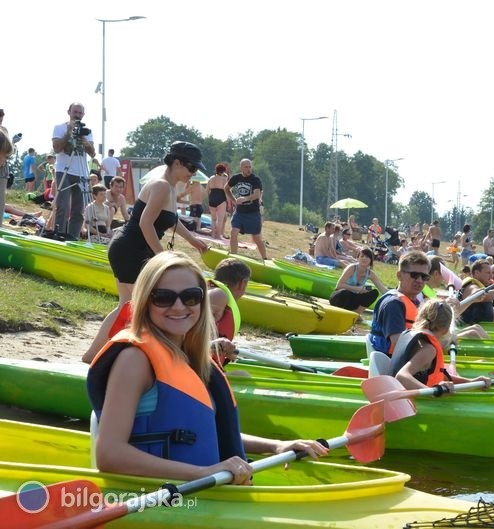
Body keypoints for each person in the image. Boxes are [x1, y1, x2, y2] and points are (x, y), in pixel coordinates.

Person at [87, 251, 328, 482]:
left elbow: (206, 433)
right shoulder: (134, 359)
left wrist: (276, 445)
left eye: (190, 297)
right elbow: (109, 454)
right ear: (145, 302)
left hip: (202, 490)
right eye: (163, 298)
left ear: (202, 301)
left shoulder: (192, 359)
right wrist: (202, 472)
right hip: (166, 498)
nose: (179, 306)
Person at [82, 141, 210, 364]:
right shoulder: (161, 185)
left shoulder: (170, 187)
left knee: (127, 305)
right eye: (192, 168)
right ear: (177, 163)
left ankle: (94, 354)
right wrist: (163, 258)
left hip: (130, 246)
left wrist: (194, 240)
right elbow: (145, 223)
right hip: (132, 249)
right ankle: (136, 355)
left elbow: (170, 221)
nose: (194, 173)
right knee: (140, 305)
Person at [390, 299, 490, 391]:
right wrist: (434, 392)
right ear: (446, 330)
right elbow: (401, 376)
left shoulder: (411, 334)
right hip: (408, 403)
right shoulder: (429, 350)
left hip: (396, 392)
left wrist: (471, 382)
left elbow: (438, 373)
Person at [367, 251, 430, 355]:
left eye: (424, 277)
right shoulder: (393, 304)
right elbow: (398, 344)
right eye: (414, 275)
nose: (419, 280)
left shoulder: (415, 302)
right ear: (399, 276)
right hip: (391, 364)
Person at [51, 102, 96, 239]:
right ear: (69, 112)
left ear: (83, 114)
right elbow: (56, 148)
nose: (77, 115)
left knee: (78, 208)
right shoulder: (59, 127)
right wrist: (68, 133)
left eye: (79, 113)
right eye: (75, 112)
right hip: (63, 170)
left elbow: (93, 153)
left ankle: (73, 236)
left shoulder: (87, 131)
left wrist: (84, 140)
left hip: (81, 172)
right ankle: (59, 234)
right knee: (63, 205)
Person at [225, 158, 267, 260]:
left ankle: (265, 259)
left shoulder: (255, 179)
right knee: (233, 232)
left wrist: (245, 199)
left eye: (250, 167)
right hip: (240, 212)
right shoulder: (236, 178)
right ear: (241, 168)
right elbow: (226, 188)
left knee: (256, 237)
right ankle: (233, 257)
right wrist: (234, 200)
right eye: (246, 167)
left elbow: (257, 194)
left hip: (253, 212)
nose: (248, 169)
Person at [329, 248, 387, 319]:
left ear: (371, 260)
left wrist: (396, 294)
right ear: (357, 258)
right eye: (362, 256)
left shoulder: (370, 274)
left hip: (352, 299)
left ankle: (356, 314)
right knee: (345, 293)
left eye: (367, 257)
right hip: (339, 297)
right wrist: (358, 289)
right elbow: (339, 285)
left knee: (374, 293)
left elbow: (383, 290)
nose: (364, 258)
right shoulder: (351, 268)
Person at [458, 259, 494, 324]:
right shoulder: (471, 286)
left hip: (489, 326)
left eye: (491, 273)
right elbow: (479, 295)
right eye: (488, 273)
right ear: (476, 273)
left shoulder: (483, 285)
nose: (491, 276)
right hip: (473, 326)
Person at [207, 163, 230, 239]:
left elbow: (207, 190)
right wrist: (228, 202)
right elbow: (226, 191)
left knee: (213, 219)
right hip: (221, 197)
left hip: (212, 197)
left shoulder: (210, 178)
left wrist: (209, 200)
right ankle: (218, 235)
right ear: (223, 171)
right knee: (220, 219)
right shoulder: (224, 179)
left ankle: (213, 235)